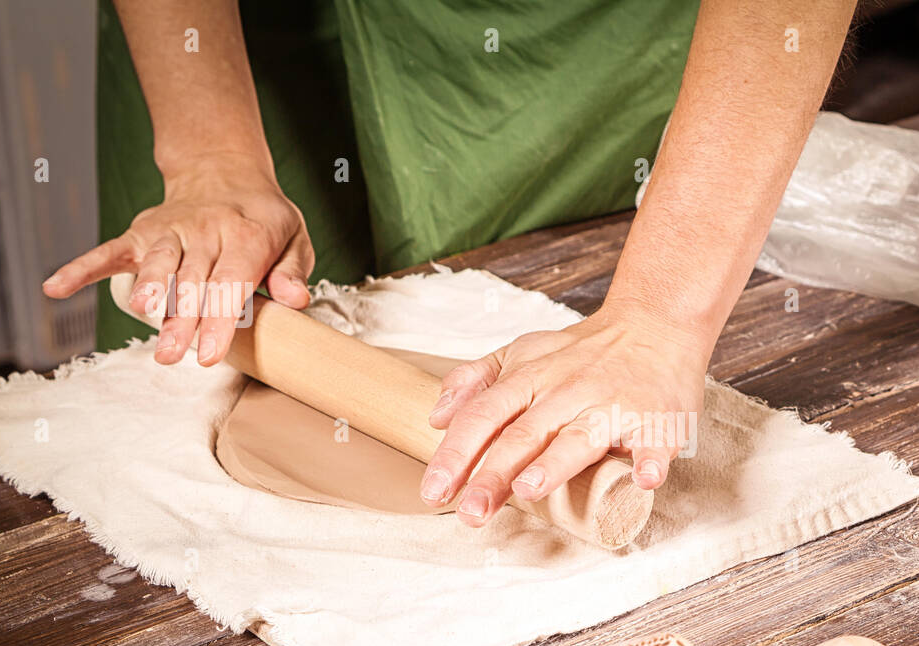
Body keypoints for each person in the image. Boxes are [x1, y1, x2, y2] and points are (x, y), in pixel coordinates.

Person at [43, 0, 856, 528]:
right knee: (211, 299)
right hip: (236, 32)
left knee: (546, 281)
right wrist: (210, 156)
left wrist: (659, 317)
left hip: (573, 37)